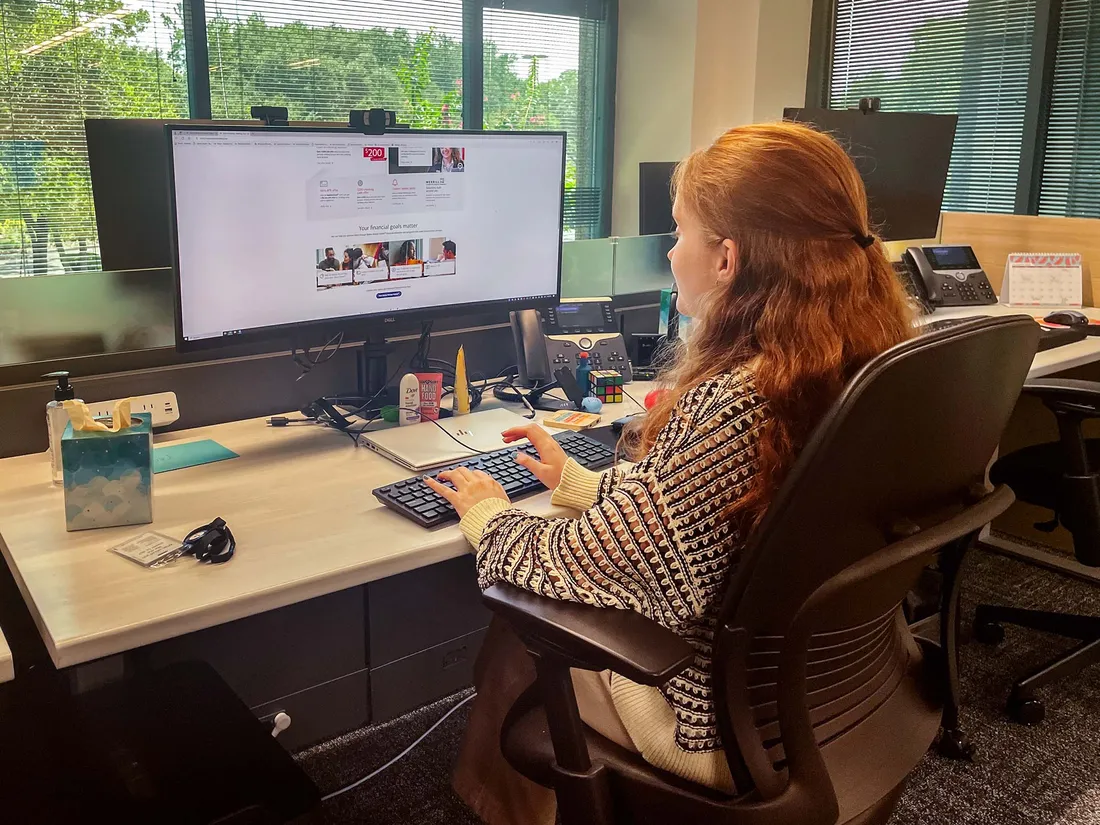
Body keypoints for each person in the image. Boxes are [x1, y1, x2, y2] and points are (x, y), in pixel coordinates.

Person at [426, 122, 915, 825]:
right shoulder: (858, 361)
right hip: (829, 693)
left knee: (523, 609)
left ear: (727, 259)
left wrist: (484, 510)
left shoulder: (745, 398)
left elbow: (572, 562)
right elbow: (722, 511)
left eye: (680, 231)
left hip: (720, 718)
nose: (669, 249)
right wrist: (581, 483)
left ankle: (495, 805)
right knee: (548, 570)